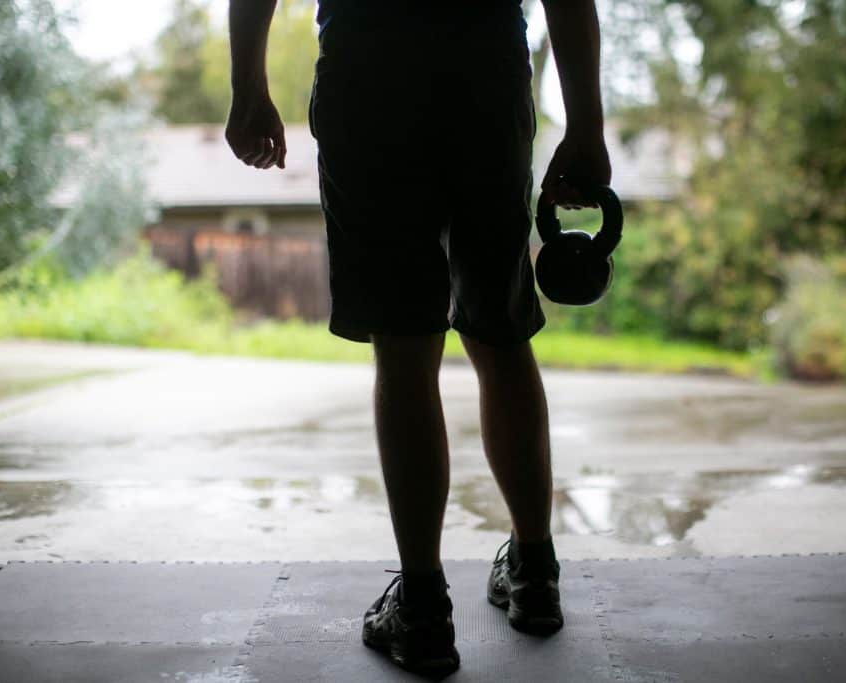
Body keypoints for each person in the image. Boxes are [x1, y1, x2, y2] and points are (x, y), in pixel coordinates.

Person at [226, 0, 610, 674]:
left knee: (404, 347)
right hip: (483, 69)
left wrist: (249, 86)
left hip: (370, 72)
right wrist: (586, 126)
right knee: (501, 331)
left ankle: (425, 610)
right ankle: (533, 572)